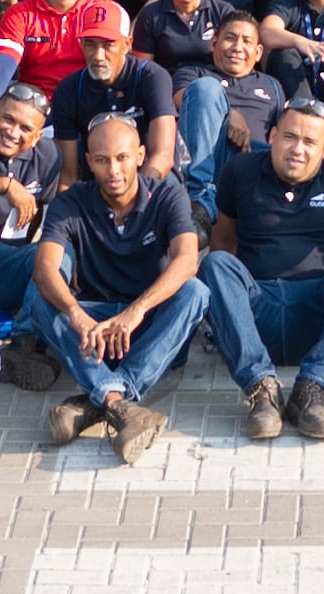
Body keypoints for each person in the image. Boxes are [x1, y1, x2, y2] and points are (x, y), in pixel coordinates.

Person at [200, 101, 324, 441]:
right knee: (215, 264)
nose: (297, 149)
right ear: (271, 136)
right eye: (289, 137)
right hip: (258, 310)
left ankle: (313, 389)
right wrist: (226, 318)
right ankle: (261, 390)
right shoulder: (240, 171)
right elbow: (223, 241)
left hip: (318, 312)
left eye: (309, 142)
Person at [26, 113, 206, 459]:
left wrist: (137, 310)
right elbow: (45, 267)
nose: (114, 171)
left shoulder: (168, 194)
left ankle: (101, 400)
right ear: (89, 162)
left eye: (123, 158)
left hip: (151, 325)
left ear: (140, 156)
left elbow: (187, 260)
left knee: (196, 292)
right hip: (95, 328)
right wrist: (76, 314)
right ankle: (119, 404)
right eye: (102, 161)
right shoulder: (70, 202)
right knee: (39, 299)